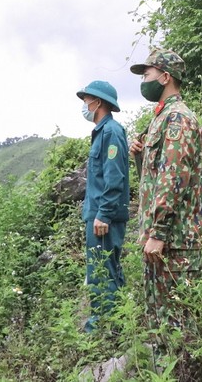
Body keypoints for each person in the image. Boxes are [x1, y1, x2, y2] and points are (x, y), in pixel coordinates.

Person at [128, 49, 202, 337]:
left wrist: (159, 232)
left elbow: (174, 177)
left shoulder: (178, 118)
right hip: (160, 240)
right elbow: (153, 179)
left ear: (165, 76)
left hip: (174, 242)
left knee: (178, 326)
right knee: (158, 323)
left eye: (147, 74)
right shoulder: (160, 119)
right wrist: (140, 154)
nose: (144, 80)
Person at [77, 80, 130, 333]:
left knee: (102, 273)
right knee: (106, 270)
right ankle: (116, 325)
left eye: (87, 100)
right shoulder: (102, 132)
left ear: (98, 102)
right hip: (98, 214)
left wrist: (104, 215)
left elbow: (114, 176)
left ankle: (103, 330)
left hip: (103, 217)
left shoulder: (111, 132)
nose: (84, 105)